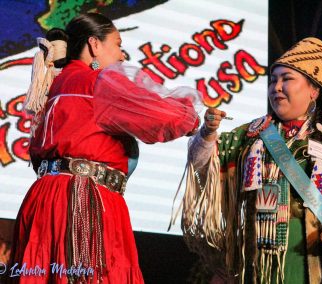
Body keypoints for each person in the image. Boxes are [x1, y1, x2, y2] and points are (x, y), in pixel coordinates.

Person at [9, 12, 201, 283]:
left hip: (47, 199)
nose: (122, 56)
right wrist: (191, 117)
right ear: (94, 45)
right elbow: (165, 116)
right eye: (118, 45)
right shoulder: (95, 82)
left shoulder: (58, 84)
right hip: (82, 200)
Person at [181, 37, 322, 283]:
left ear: (314, 89)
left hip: (318, 264)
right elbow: (202, 166)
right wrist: (206, 134)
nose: (276, 87)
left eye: (287, 79)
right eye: (273, 81)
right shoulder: (252, 135)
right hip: (259, 266)